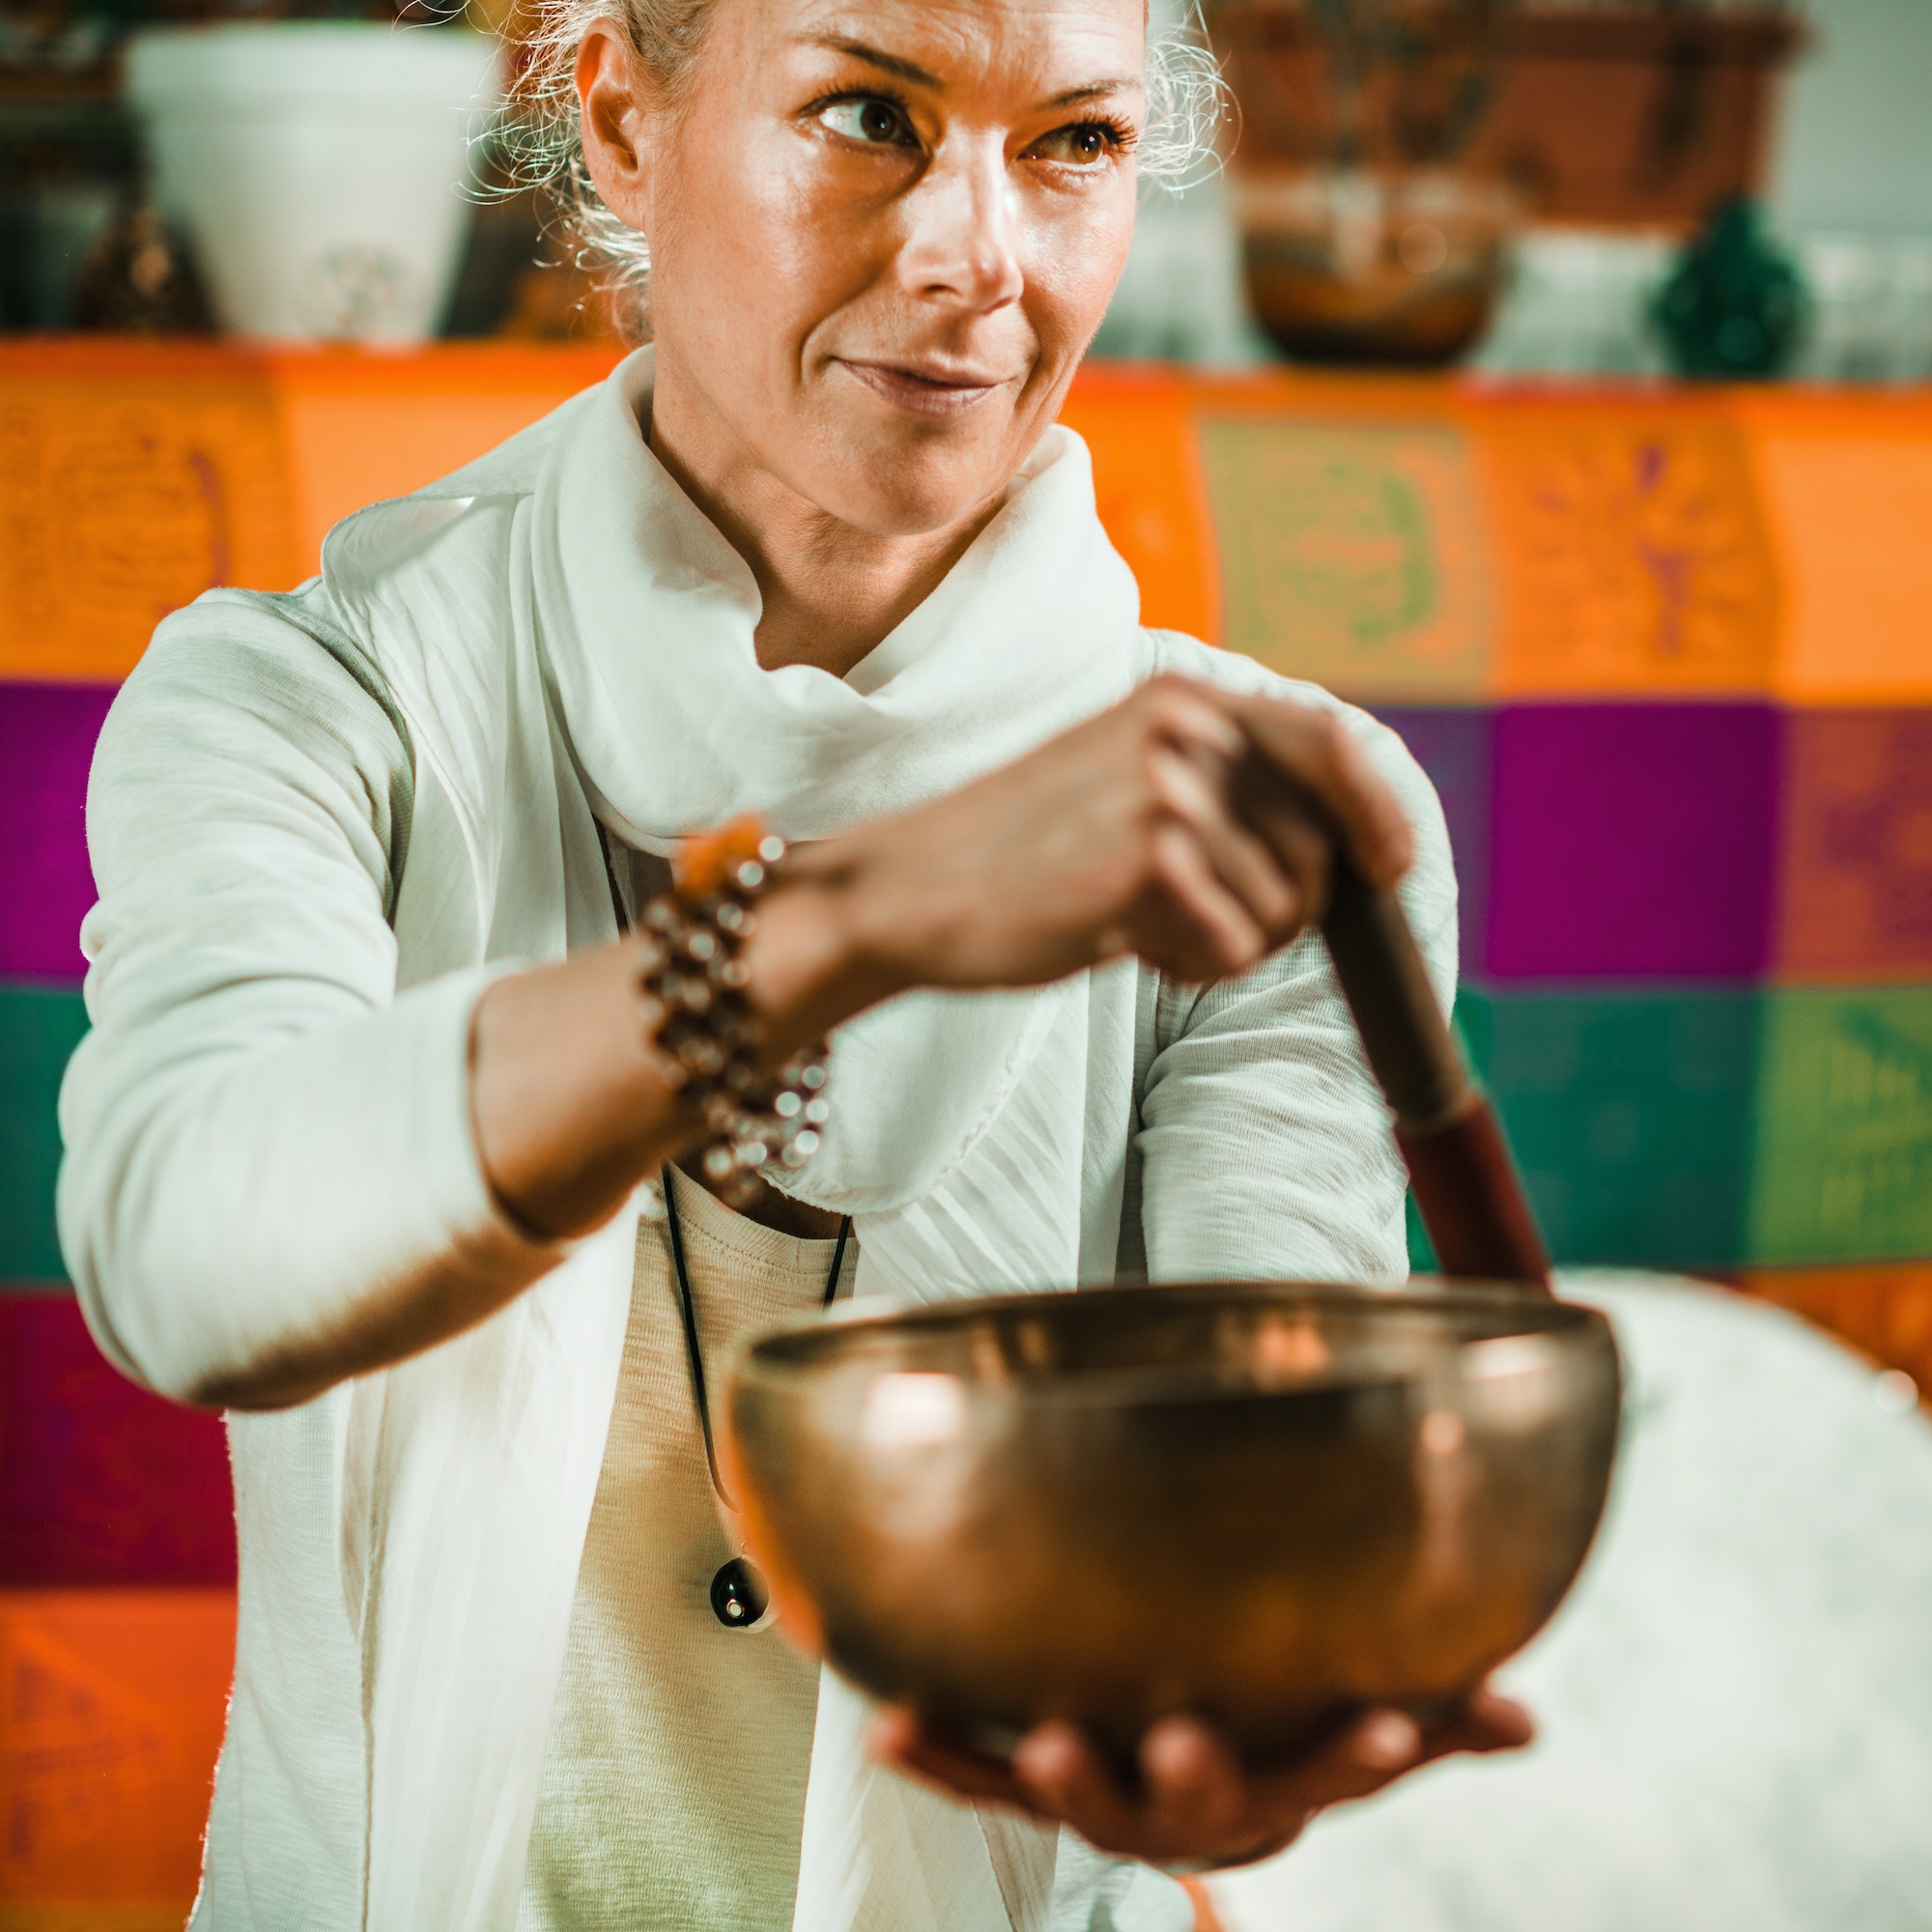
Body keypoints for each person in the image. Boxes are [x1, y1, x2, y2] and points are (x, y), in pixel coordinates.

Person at [57, 0, 1528, 1925]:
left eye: (1072, 145)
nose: (975, 257)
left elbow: (1241, 1492)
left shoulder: (1265, 819)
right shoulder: (311, 697)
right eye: (866, 113)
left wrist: (1235, 1685)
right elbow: (188, 1248)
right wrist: (847, 923)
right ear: (619, 122)